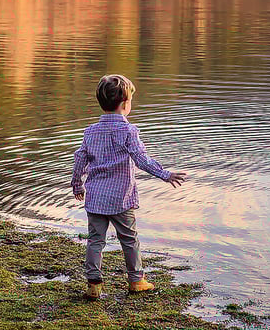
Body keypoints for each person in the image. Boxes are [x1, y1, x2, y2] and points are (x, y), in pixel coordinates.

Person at [71, 74, 187, 299]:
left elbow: (79, 160)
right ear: (125, 104)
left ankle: (93, 285)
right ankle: (136, 280)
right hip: (121, 198)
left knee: (95, 240)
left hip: (95, 198)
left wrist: (77, 186)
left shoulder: (90, 132)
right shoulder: (129, 131)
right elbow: (141, 159)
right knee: (129, 239)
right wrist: (165, 174)